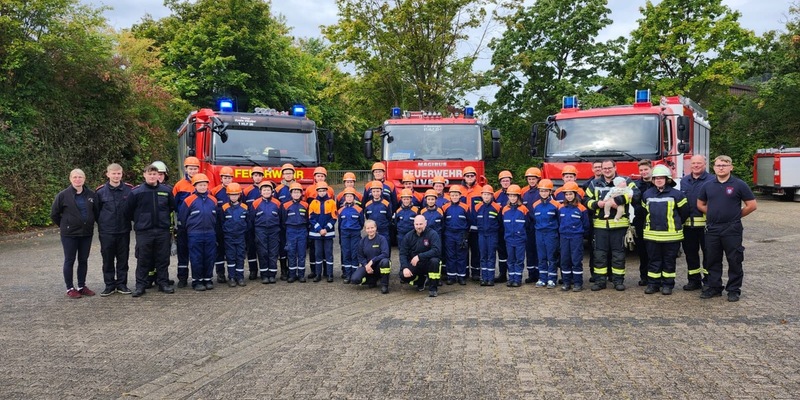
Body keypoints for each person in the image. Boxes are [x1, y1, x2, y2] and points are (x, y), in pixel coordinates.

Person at [697, 155, 757, 302]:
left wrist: (735, 216)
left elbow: (752, 205)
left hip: (732, 229)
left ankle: (733, 290)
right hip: (712, 229)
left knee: (734, 259)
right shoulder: (707, 185)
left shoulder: (739, 184)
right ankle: (714, 287)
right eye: (718, 165)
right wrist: (711, 214)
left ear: (731, 167)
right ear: (714, 168)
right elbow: (700, 204)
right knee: (712, 259)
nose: (721, 167)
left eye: (724, 165)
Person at [584, 160, 640, 291]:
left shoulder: (626, 180)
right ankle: (600, 281)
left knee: (618, 255)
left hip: (619, 226)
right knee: (599, 255)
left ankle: (618, 281)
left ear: (615, 167)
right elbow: (585, 200)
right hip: (600, 226)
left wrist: (619, 200)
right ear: (601, 169)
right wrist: (596, 204)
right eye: (605, 168)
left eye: (610, 168)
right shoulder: (594, 183)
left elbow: (636, 195)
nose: (607, 170)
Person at [127, 164, 176, 297]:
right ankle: (140, 286)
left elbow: (172, 207)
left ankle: (163, 283)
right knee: (143, 259)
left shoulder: (166, 191)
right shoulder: (136, 192)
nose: (153, 176)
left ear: (159, 176)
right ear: (144, 175)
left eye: (155, 174)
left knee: (163, 259)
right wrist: (141, 221)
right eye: (150, 174)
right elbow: (128, 211)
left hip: (162, 231)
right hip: (144, 231)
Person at [642, 165, 690, 295]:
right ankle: (653, 284)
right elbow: (643, 212)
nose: (658, 180)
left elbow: (684, 213)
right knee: (653, 261)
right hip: (652, 235)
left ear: (667, 179)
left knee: (669, 261)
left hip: (671, 236)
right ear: (652, 180)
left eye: (661, 178)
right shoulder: (647, 194)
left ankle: (668, 285)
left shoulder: (677, 194)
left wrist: (676, 224)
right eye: (656, 178)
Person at [51, 168, 99, 299]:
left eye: (80, 177)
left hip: (86, 233)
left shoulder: (91, 194)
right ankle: (70, 288)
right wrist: (65, 225)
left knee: (83, 260)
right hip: (69, 234)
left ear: (84, 179)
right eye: (75, 177)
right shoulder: (63, 195)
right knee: (69, 260)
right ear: (70, 179)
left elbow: (96, 212)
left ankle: (81, 286)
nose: (78, 179)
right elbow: (54, 214)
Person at [95, 163, 134, 296]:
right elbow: (96, 212)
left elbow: (132, 209)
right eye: (113, 173)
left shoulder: (129, 190)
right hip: (107, 232)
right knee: (107, 259)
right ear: (107, 174)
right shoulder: (100, 192)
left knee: (123, 259)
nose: (116, 176)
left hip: (123, 230)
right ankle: (109, 285)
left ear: (122, 174)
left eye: (118, 173)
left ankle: (122, 284)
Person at [178, 173, 218, 292]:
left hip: (210, 233)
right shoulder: (189, 200)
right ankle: (197, 281)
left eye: (204, 185)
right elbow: (182, 218)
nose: (202, 187)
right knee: (196, 258)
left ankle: (208, 279)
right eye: (200, 185)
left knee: (209, 257)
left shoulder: (213, 200)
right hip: (195, 234)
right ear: (195, 186)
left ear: (207, 186)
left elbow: (217, 218)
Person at [680, 155, 713, 291]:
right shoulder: (684, 181)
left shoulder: (712, 180)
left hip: (707, 226)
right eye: (693, 163)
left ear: (705, 164)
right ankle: (694, 281)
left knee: (709, 255)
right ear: (690, 165)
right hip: (688, 226)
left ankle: (708, 281)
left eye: (699, 163)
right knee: (690, 254)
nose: (696, 165)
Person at [172, 156, 201, 288]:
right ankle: (182, 278)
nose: (193, 171)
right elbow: (173, 204)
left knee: (197, 253)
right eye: (191, 168)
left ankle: (197, 277)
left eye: (195, 169)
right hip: (183, 224)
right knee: (183, 252)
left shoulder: (204, 183)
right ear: (186, 169)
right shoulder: (179, 185)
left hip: (198, 225)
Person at [399, 215, 442, 297]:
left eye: (421, 224)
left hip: (428, 262)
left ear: (425, 223)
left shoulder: (432, 234)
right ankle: (420, 281)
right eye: (417, 224)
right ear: (414, 224)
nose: (419, 227)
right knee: (403, 275)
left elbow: (436, 250)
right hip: (415, 264)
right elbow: (403, 253)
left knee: (435, 261)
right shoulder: (408, 236)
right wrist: (405, 267)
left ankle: (433, 288)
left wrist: (419, 256)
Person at [558, 182, 590, 291]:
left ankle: (577, 283)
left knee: (576, 260)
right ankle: (567, 282)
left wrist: (581, 235)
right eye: (566, 194)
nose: (568, 196)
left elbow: (586, 225)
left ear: (575, 194)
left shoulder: (582, 208)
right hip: (564, 237)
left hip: (576, 237)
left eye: (570, 194)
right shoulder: (561, 207)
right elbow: (559, 222)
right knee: (565, 260)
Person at [218, 182, 250, 287]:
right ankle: (231, 277)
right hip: (229, 237)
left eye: (236, 194)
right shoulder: (224, 208)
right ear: (228, 195)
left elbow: (248, 222)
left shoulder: (245, 207)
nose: (234, 197)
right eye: (232, 195)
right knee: (231, 257)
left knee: (240, 257)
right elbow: (221, 222)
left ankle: (240, 277)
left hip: (241, 237)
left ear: (239, 195)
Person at [251, 181, 282, 284]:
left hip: (274, 230)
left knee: (273, 253)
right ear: (260, 191)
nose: (266, 191)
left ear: (272, 191)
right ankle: (264, 275)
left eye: (268, 190)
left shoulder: (277, 203)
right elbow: (251, 219)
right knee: (262, 252)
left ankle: (272, 274)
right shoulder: (255, 203)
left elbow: (281, 218)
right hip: (261, 230)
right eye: (264, 190)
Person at [531, 179, 560, 288]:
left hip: (551, 234)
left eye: (545, 191)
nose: (543, 193)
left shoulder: (556, 205)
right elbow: (534, 219)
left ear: (550, 191)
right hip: (539, 233)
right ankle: (542, 278)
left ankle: (552, 279)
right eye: (541, 191)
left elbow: (559, 220)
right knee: (541, 257)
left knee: (551, 257)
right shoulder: (535, 205)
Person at [500, 184, 529, 287]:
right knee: (510, 259)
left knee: (519, 260)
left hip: (520, 239)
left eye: (514, 196)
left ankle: (517, 279)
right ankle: (511, 278)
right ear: (508, 196)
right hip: (509, 239)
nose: (512, 198)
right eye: (510, 196)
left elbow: (527, 224)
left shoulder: (523, 209)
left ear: (518, 197)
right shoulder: (504, 209)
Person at [631, 159, 654, 286]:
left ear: (651, 169)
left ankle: (654, 276)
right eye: (641, 170)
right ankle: (644, 276)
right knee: (642, 250)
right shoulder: (635, 186)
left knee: (654, 250)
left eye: (646, 169)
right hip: (640, 220)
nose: (643, 172)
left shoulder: (657, 183)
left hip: (655, 221)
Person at [352, 220, 391, 294]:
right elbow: (360, 256)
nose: (370, 230)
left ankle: (384, 285)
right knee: (355, 279)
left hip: (379, 265)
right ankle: (372, 280)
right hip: (368, 266)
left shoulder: (381, 239)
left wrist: (373, 261)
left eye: (372, 228)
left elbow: (385, 254)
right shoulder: (362, 241)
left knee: (385, 262)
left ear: (376, 228)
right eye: (368, 228)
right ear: (365, 229)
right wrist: (366, 265)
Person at [309, 181, 337, 282]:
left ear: (327, 191)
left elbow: (334, 217)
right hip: (317, 233)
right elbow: (311, 218)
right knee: (318, 254)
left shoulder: (332, 202)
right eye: (320, 191)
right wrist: (319, 229)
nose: (321, 192)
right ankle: (318, 274)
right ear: (317, 191)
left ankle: (329, 274)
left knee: (328, 253)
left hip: (328, 233)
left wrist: (326, 229)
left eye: (323, 190)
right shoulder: (313, 203)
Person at [473, 185, 501, 286]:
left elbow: (500, 222)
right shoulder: (477, 207)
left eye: (488, 195)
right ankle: (484, 278)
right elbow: (475, 220)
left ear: (492, 195)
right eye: (484, 194)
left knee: (491, 256)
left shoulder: (497, 207)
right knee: (483, 256)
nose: (486, 197)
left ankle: (490, 278)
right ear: (482, 195)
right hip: (481, 235)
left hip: (492, 235)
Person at [211, 167, 234, 283]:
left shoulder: (237, 190)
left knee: (231, 250)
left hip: (232, 226)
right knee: (219, 250)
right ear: (221, 178)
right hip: (219, 225)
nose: (227, 180)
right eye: (225, 178)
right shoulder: (215, 191)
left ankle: (233, 274)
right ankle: (220, 273)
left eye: (229, 177)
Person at [443, 185, 470, 285]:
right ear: (449, 196)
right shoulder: (445, 207)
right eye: (452, 195)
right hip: (449, 234)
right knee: (450, 256)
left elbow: (469, 221)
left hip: (461, 235)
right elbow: (443, 221)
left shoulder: (465, 207)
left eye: (456, 195)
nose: (454, 197)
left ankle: (461, 277)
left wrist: (465, 235)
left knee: (461, 256)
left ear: (460, 195)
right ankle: (451, 276)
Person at [274, 163, 298, 280]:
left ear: (293, 174)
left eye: (290, 173)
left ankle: (293, 268)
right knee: (283, 247)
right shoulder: (278, 189)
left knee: (293, 247)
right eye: (286, 173)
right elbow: (275, 206)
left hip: (294, 223)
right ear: (282, 175)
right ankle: (284, 270)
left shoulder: (298, 187)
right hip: (282, 223)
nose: (288, 175)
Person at [282, 182, 309, 283]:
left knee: (302, 254)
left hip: (302, 230)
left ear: (301, 193)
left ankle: (301, 275)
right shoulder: (285, 205)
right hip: (290, 231)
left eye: (298, 192)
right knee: (291, 253)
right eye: (294, 192)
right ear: (291, 193)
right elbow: (283, 220)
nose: (296, 194)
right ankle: (292, 275)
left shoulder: (305, 205)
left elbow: (307, 219)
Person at [242, 166, 265, 280]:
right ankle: (253, 270)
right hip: (250, 223)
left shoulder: (267, 189)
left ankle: (263, 270)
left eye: (260, 175)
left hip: (263, 224)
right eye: (255, 175)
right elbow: (243, 206)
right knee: (251, 248)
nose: (258, 177)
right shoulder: (246, 191)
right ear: (252, 177)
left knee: (262, 248)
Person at [338, 187, 364, 283]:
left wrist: (356, 230)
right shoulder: (341, 210)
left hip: (355, 233)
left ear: (354, 197)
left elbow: (361, 223)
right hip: (344, 234)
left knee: (354, 253)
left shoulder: (359, 209)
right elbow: (339, 224)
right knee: (346, 253)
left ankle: (354, 275)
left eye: (351, 196)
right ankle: (348, 275)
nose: (349, 198)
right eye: (347, 196)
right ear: (344, 197)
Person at [520, 167, 542, 284]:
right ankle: (531, 274)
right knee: (529, 251)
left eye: (533, 179)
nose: (531, 181)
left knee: (538, 250)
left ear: (538, 179)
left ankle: (539, 274)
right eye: (529, 179)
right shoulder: (524, 192)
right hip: (527, 227)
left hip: (538, 225)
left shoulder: (542, 191)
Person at [461, 167, 482, 281]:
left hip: (476, 226)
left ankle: (476, 272)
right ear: (464, 177)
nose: (470, 178)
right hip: (462, 227)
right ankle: (464, 272)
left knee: (476, 250)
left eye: (472, 176)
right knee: (463, 250)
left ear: (475, 177)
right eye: (467, 176)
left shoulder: (481, 190)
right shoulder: (458, 191)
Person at [494, 170, 514, 283]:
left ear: (510, 181)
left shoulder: (517, 192)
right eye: (503, 181)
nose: (505, 182)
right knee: (502, 252)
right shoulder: (496, 195)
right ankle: (502, 274)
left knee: (512, 252)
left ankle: (513, 275)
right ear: (500, 182)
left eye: (507, 180)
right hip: (501, 228)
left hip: (513, 228)